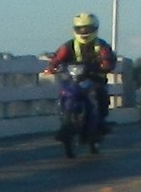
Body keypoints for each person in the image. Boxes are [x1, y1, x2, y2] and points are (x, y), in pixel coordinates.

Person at [46, 12, 118, 142]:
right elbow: (57, 57)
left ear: (95, 29)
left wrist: (105, 65)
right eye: (80, 29)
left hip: (94, 78)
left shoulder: (101, 45)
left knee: (100, 94)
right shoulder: (68, 46)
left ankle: (101, 122)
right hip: (72, 78)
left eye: (87, 28)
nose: (84, 32)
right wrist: (51, 67)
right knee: (63, 94)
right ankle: (65, 123)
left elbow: (108, 58)